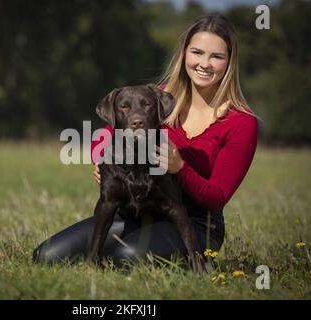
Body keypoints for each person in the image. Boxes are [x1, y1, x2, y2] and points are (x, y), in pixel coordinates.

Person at [33, 15, 258, 268]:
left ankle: (191, 261)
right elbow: (108, 133)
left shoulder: (242, 123)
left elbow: (217, 197)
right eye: (197, 52)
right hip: (134, 210)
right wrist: (101, 160)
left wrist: (180, 169)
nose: (204, 63)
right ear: (184, 54)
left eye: (216, 56)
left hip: (194, 223)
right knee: (46, 256)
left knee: (127, 259)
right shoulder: (159, 97)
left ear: (229, 61)